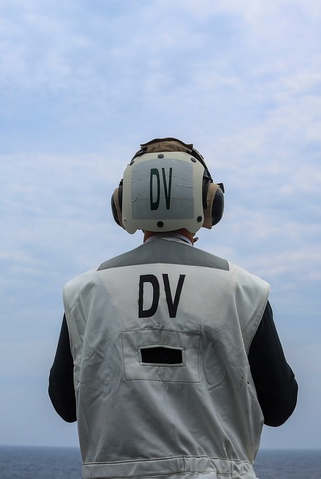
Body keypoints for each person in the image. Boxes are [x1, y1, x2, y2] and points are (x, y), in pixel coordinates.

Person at [48, 138, 297, 479]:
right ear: (210, 201)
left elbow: (64, 405)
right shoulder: (244, 290)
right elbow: (280, 406)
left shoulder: (85, 293)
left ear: (123, 203)